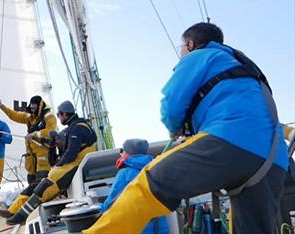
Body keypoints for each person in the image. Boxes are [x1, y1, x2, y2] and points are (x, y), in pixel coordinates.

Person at [85, 23, 288, 233]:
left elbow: (172, 104)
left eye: (181, 46)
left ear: (190, 44)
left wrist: (175, 128)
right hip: (274, 160)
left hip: (230, 142)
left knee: (148, 185)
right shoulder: (245, 68)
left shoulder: (200, 56)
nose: (181, 51)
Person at [7, 100, 97, 225]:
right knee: (44, 182)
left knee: (46, 185)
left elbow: (71, 154)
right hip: (77, 164)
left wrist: (57, 164)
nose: (59, 117)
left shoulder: (77, 128)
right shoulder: (77, 126)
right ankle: (19, 212)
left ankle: (21, 215)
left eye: (60, 114)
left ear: (65, 114)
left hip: (76, 165)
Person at [0, 96, 57, 217]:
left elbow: (51, 131)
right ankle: (30, 212)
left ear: (40, 105)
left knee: (39, 184)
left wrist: (35, 133)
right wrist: (2, 106)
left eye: (35, 105)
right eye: (31, 105)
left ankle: (16, 210)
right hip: (31, 158)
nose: (32, 107)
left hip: (43, 156)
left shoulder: (48, 116)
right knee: (32, 182)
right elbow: (15, 115)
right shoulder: (29, 117)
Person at [100, 139, 168, 234]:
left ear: (128, 153)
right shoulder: (155, 170)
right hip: (160, 228)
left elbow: (112, 202)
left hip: (138, 228)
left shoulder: (125, 174)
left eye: (123, 151)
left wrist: (97, 209)